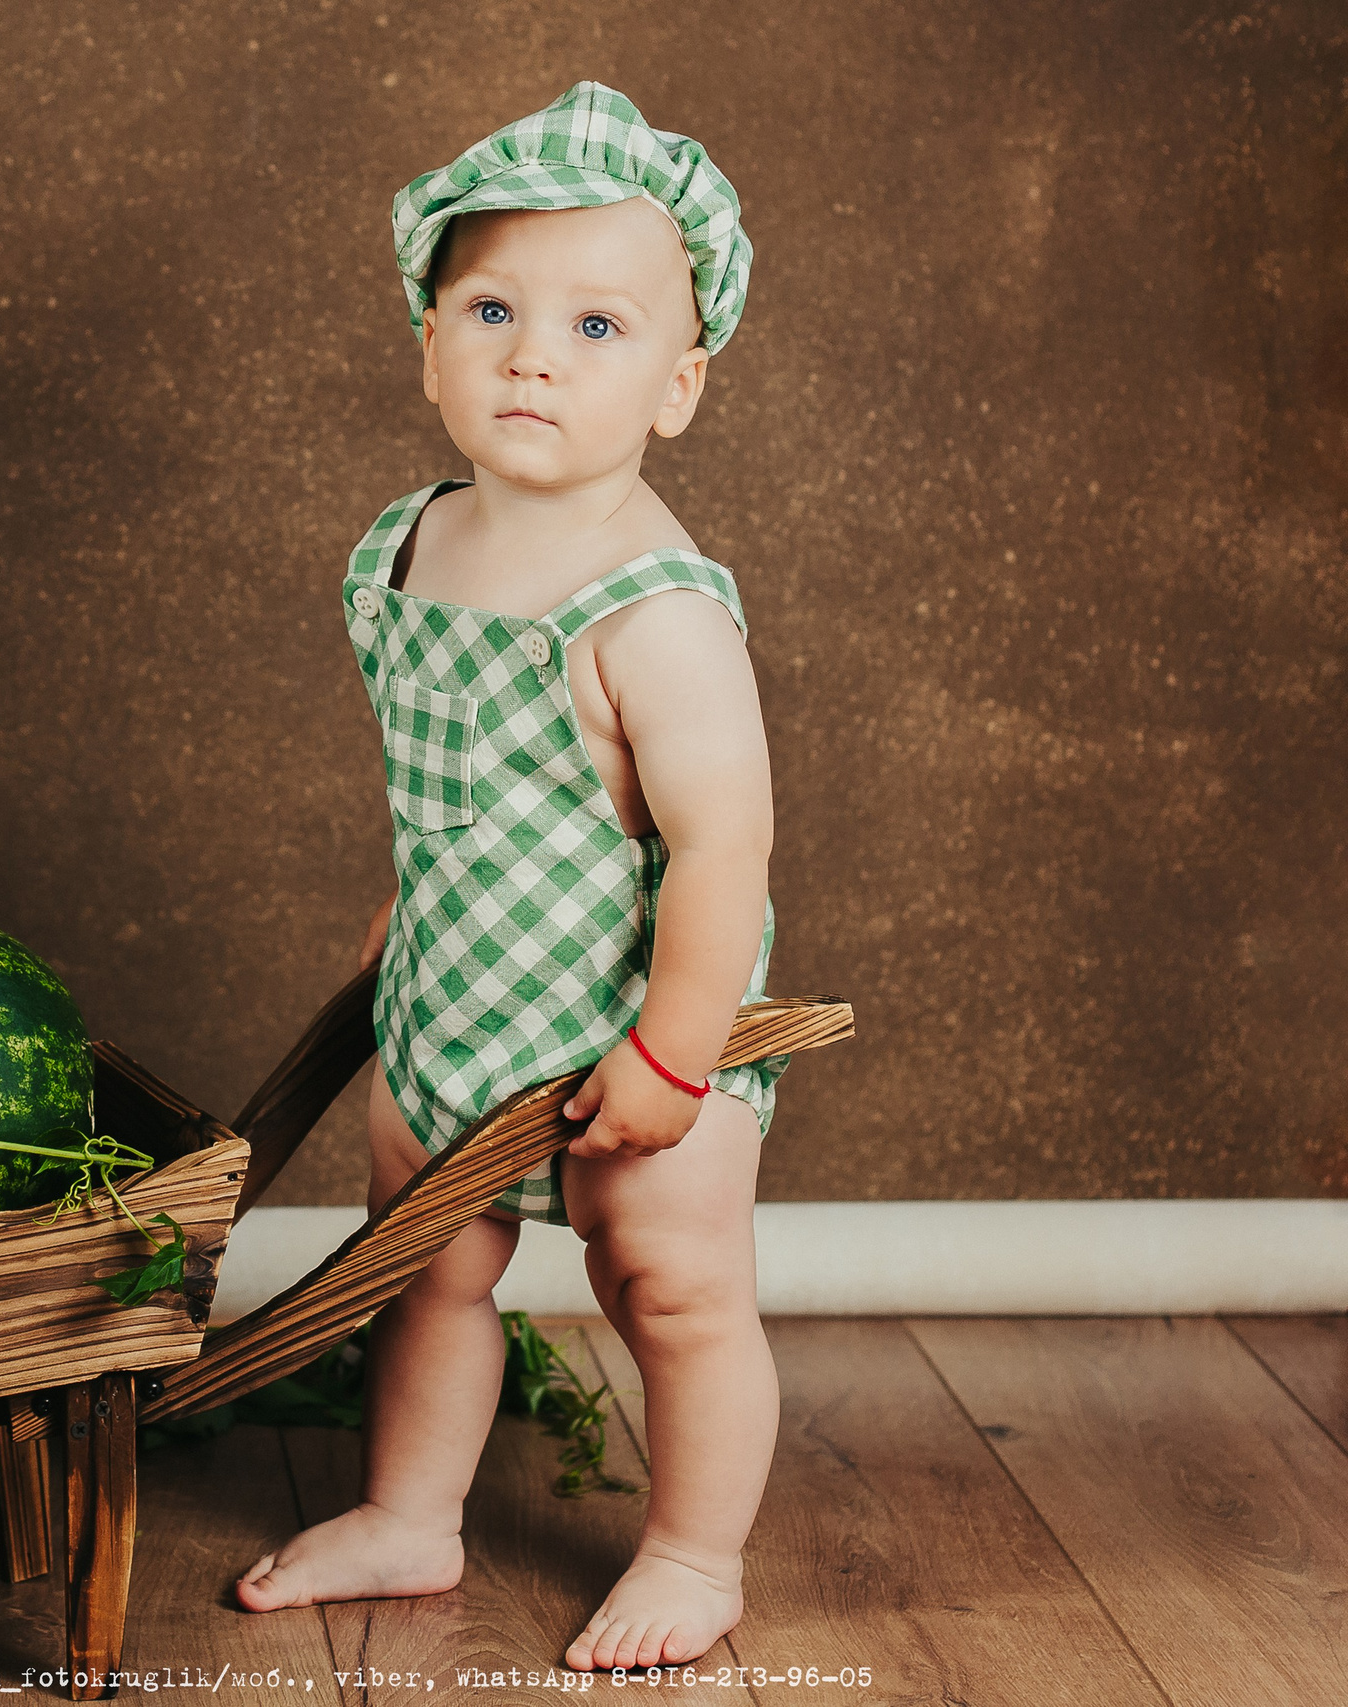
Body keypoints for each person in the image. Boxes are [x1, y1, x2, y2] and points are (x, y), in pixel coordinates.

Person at [233, 81, 793, 1675]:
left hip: (634, 1010)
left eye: (598, 327)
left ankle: (696, 1553)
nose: (534, 353)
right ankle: (412, 1513)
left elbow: (721, 849)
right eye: (492, 306)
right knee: (425, 1266)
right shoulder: (400, 548)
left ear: (680, 386)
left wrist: (676, 1053)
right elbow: (446, 791)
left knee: (668, 1285)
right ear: (428, 339)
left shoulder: (657, 611)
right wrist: (396, 940)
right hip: (454, 991)